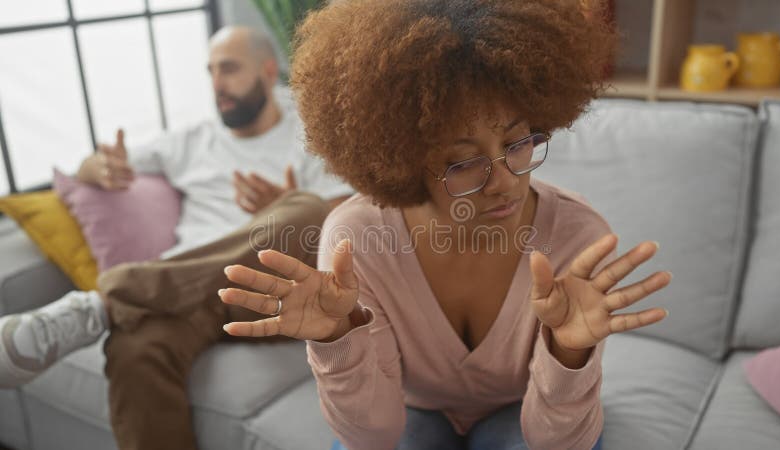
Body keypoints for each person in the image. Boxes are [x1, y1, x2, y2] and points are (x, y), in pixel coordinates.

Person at [218, 1, 671, 450]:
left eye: (517, 142)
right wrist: (336, 343)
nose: (504, 182)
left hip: (523, 406)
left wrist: (569, 353)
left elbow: (556, 442)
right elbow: (374, 437)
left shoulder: (576, 236)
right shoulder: (356, 240)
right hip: (412, 409)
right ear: (405, 162)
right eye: (463, 162)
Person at [0, 26, 351, 449]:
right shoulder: (190, 140)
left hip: (272, 292)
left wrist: (285, 204)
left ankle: (107, 300)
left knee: (308, 207)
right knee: (134, 350)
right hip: (187, 294)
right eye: (210, 72)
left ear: (267, 69)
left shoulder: (310, 134)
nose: (217, 83)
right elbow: (95, 163)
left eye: (230, 69)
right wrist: (95, 168)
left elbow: (343, 224)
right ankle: (117, 303)